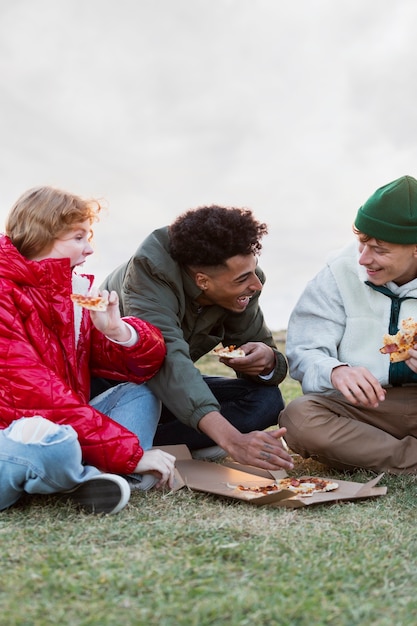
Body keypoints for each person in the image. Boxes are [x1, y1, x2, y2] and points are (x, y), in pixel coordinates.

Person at [0, 186, 175, 514]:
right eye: (79, 237)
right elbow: (38, 399)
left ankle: (84, 478)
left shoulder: (74, 293)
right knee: (53, 444)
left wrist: (117, 331)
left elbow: (145, 366)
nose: (90, 248)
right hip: (16, 433)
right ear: (42, 235)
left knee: (142, 391)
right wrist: (133, 454)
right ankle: (94, 477)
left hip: (61, 422)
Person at [99, 205, 294, 471]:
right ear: (202, 281)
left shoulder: (244, 289)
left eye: (254, 270)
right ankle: (123, 445)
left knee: (266, 401)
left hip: (169, 390)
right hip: (111, 388)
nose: (257, 284)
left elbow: (260, 344)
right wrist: (233, 441)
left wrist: (268, 361)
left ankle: (144, 443)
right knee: (151, 394)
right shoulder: (149, 270)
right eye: (242, 278)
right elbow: (168, 361)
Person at [280, 174, 417, 475]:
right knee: (299, 418)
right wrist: (336, 371)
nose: (364, 258)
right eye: (362, 243)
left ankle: (378, 455)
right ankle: (407, 459)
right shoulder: (338, 272)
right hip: (362, 410)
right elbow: (305, 351)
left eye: (380, 249)